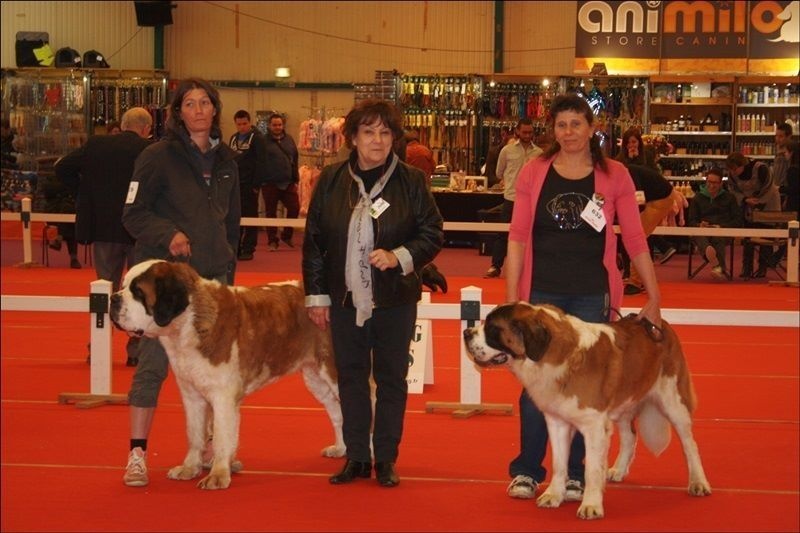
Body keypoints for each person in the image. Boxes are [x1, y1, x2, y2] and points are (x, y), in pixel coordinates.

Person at [504, 93, 662, 501]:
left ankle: (576, 474)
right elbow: (517, 238)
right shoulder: (533, 172)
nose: (569, 132)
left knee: (587, 388)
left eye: (576, 123)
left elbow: (635, 238)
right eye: (561, 124)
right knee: (535, 385)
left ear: (592, 129)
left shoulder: (615, 176)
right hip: (541, 297)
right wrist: (512, 299)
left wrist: (654, 294)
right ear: (553, 130)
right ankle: (527, 470)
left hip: (593, 296)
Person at [302, 99, 443, 488]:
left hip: (396, 298)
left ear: (394, 138)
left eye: (384, 132)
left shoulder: (412, 181)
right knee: (350, 376)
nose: (377, 140)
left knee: (392, 378)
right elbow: (314, 243)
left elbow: (432, 232)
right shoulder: (331, 180)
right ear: (353, 137)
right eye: (368, 132)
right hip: (344, 298)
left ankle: (386, 458)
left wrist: (400, 256)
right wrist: (317, 297)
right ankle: (357, 457)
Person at [120, 78, 241, 487]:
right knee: (153, 366)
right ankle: (137, 453)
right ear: (178, 112)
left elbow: (231, 223)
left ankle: (212, 448)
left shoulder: (227, 160)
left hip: (214, 280)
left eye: (205, 102)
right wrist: (168, 232)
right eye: (190, 103)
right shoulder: (156, 156)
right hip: (167, 285)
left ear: (215, 109)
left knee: (215, 370)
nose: (199, 110)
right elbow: (132, 214)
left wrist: (228, 271)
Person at [55, 107, 153, 366]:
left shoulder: (96, 145)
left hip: (104, 229)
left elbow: (62, 167)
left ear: (123, 125)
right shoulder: (150, 149)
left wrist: (84, 192)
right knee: (139, 291)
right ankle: (136, 351)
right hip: (139, 231)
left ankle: (97, 347)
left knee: (104, 289)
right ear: (146, 129)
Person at [485, 118, 542, 278]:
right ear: (517, 131)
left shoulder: (539, 153)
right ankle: (495, 266)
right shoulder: (506, 151)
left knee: (532, 235)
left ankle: (531, 269)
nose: (527, 135)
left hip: (531, 200)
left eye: (530, 132)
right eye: (524, 132)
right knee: (503, 234)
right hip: (511, 198)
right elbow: (499, 173)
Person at [616, 127, 677, 266]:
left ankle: (639, 268)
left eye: (634, 142)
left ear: (639, 142)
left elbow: (652, 174)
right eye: (628, 142)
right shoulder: (619, 160)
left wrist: (637, 162)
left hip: (649, 200)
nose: (631, 145)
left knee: (640, 233)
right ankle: (633, 267)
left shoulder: (647, 156)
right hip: (627, 201)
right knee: (635, 233)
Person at [725, 152, 782, 278]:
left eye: (735, 169)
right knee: (748, 237)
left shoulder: (761, 168)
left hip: (769, 202)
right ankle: (747, 267)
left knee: (766, 236)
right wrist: (745, 199)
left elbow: (768, 186)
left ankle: (763, 267)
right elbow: (733, 190)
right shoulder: (732, 175)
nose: (733, 172)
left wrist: (758, 202)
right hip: (748, 203)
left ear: (742, 164)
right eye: (730, 170)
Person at [686, 167, 743, 280]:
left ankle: (712, 258)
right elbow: (691, 221)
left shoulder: (729, 198)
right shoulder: (697, 198)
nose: (711, 185)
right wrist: (699, 225)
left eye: (715, 183)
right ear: (706, 181)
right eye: (709, 182)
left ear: (721, 183)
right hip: (703, 232)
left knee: (718, 237)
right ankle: (718, 267)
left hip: (722, 232)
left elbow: (738, 220)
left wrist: (722, 226)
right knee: (699, 235)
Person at [229, 109, 268, 261]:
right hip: (235, 184)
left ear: (249, 122)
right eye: (239, 124)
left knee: (250, 216)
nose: (242, 127)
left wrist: (256, 185)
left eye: (244, 123)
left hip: (250, 184)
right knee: (235, 216)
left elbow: (262, 162)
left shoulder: (257, 139)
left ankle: (249, 248)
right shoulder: (233, 138)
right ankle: (236, 247)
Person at [262, 113, 300, 251]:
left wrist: (295, 178)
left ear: (283, 125)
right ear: (269, 126)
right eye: (274, 125)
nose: (277, 127)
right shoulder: (263, 141)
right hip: (269, 183)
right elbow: (258, 161)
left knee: (294, 208)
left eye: (279, 124)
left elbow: (295, 158)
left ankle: (287, 235)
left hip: (288, 182)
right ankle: (272, 241)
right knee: (271, 213)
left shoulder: (289, 139)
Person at [772, 122, 793, 205]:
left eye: (781, 136)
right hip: (776, 190)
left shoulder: (791, 152)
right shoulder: (778, 149)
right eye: (776, 136)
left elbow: (791, 177)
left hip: (785, 192)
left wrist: (787, 196)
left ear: (789, 137)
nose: (777, 139)